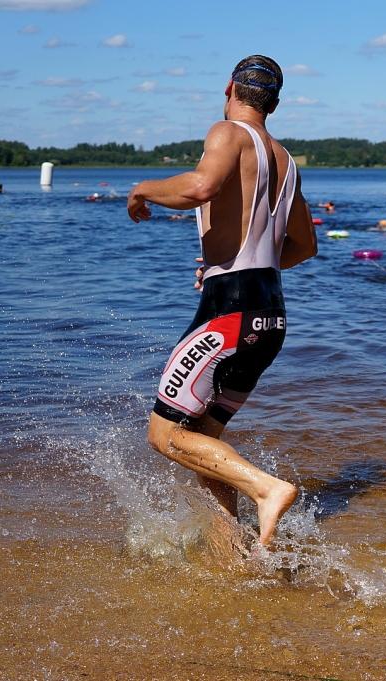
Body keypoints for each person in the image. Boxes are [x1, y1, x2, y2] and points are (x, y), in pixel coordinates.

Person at [127, 55, 317, 546]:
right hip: (270, 316)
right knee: (204, 440)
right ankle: (229, 550)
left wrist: (141, 190)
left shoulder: (228, 133)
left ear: (230, 87)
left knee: (165, 435)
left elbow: (201, 186)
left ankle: (268, 489)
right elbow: (304, 247)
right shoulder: (285, 159)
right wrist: (230, 265)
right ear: (274, 102)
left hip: (230, 312)